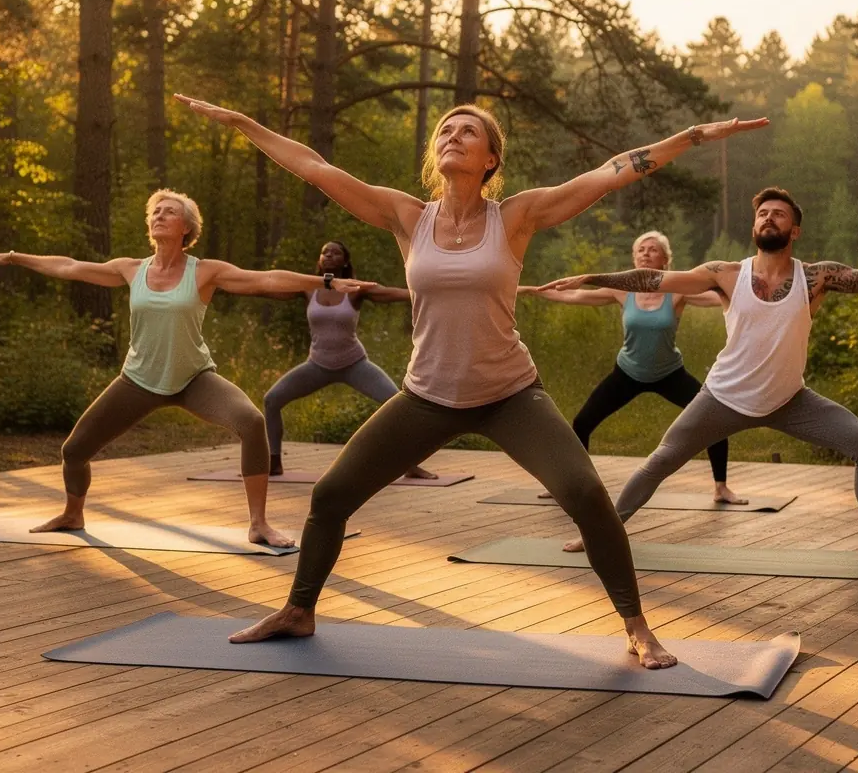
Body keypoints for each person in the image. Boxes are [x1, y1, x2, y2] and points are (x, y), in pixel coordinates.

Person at [178, 89, 767, 668]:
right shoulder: (407, 215)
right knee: (330, 497)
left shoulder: (515, 216)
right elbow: (315, 166)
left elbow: (611, 173)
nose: (452, 136)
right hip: (426, 397)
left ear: (491, 160)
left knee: (586, 495)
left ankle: (636, 626)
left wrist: (691, 138)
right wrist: (241, 120)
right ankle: (299, 610)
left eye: (468, 131)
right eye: (445, 130)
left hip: (510, 394)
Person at [547, 186, 858, 560]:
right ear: (754, 227)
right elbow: (654, 278)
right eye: (763, 213)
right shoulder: (725, 274)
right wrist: (592, 275)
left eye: (779, 213)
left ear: (795, 231)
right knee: (661, 460)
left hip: (791, 400)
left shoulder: (817, 277)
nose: (769, 217)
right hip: (723, 398)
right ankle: (601, 534)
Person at [0, 189, 372, 548]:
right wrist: (13, 257)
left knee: (251, 422)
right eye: (155, 211)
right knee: (74, 450)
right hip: (138, 380)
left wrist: (328, 282)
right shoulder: (131, 269)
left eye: (169, 211)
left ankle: (259, 524)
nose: (159, 215)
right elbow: (69, 266)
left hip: (193, 378)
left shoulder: (204, 271)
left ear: (187, 227)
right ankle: (73, 513)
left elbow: (266, 279)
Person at [521, 229, 748, 504]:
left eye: (653, 249)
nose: (645, 253)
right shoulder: (621, 291)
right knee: (582, 422)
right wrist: (531, 290)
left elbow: (725, 298)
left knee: (713, 419)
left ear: (665, 260)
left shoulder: (678, 292)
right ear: (633, 258)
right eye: (640, 249)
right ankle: (571, 484)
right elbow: (574, 297)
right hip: (627, 373)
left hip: (670, 374)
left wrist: (756, 292)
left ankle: (721, 488)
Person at [264, 239, 436, 480]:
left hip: (354, 364)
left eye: (335, 253)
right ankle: (274, 462)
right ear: (319, 260)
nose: (329, 256)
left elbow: (390, 293)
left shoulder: (355, 290)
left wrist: (426, 293)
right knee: (272, 400)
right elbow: (268, 288)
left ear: (345, 261)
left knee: (398, 404)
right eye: (325, 252)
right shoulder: (308, 288)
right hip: (317, 365)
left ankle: (411, 465)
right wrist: (229, 285)